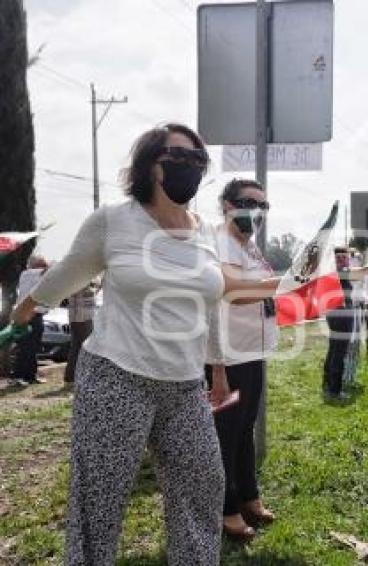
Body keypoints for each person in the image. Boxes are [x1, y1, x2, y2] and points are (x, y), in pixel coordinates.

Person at [4, 123, 227, 565]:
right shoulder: (114, 220)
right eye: (178, 158)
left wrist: (217, 367)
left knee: (203, 488)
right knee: (100, 501)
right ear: (150, 165)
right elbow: (71, 269)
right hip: (116, 377)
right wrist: (26, 309)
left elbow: (211, 304)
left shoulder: (206, 233)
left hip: (184, 387)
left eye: (197, 161)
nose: (190, 168)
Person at [204, 178, 279, 540]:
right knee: (225, 435)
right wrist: (291, 283)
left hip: (251, 352)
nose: (257, 211)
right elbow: (233, 295)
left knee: (245, 429)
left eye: (263, 205)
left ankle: (249, 497)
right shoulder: (219, 244)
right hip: (225, 357)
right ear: (227, 206)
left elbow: (263, 294)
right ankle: (226, 508)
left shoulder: (249, 248)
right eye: (249, 202)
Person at [322, 247, 368, 400]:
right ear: (334, 260)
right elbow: (361, 273)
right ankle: (335, 390)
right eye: (339, 257)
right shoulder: (340, 272)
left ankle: (328, 385)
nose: (342, 260)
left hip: (334, 312)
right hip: (342, 314)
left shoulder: (332, 271)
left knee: (334, 349)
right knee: (339, 352)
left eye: (344, 257)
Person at [11, 255, 49, 386]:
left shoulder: (24, 274)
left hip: (23, 313)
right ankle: (22, 376)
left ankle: (29, 375)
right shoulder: (37, 273)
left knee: (26, 346)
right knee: (29, 347)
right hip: (33, 314)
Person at [63, 280, 97, 384]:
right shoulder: (82, 280)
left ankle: (71, 377)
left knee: (76, 347)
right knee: (86, 348)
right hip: (83, 317)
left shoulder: (76, 278)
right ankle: (83, 377)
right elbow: (90, 289)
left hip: (77, 317)